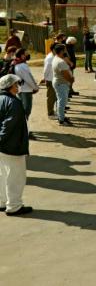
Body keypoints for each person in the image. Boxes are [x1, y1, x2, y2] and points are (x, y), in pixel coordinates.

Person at [0, 74, 31, 215]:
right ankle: (14, 206)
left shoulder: (1, 99)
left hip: (4, 146)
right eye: (16, 84)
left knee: (3, 175)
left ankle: (2, 202)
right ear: (10, 86)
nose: (18, 86)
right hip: (12, 146)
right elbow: (8, 126)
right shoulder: (14, 102)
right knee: (16, 177)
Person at [12, 49, 38, 137]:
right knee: (26, 111)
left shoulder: (15, 63)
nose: (28, 55)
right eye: (26, 53)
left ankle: (21, 128)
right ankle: (23, 130)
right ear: (22, 55)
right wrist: (35, 87)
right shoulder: (22, 65)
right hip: (26, 90)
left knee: (22, 110)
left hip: (19, 89)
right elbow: (29, 79)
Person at [52, 44, 74, 126]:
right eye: (65, 50)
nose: (66, 51)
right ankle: (61, 119)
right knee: (62, 101)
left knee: (60, 100)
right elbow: (65, 74)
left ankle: (61, 116)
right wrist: (71, 80)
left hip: (60, 83)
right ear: (61, 51)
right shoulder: (60, 62)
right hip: (61, 83)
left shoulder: (57, 58)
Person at [41, 42, 56, 118]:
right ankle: (50, 113)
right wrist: (44, 78)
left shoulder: (53, 56)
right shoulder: (50, 58)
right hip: (50, 79)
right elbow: (46, 69)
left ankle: (52, 111)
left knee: (54, 97)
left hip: (53, 79)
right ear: (53, 49)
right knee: (51, 97)